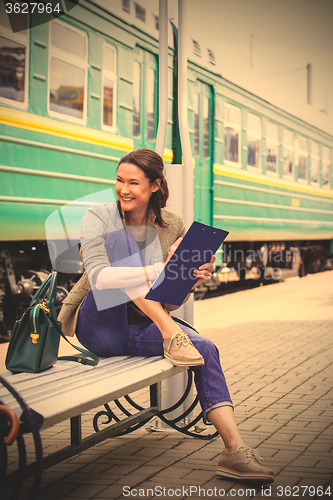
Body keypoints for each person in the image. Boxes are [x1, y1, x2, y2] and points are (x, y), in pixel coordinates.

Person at [59, 148, 274, 484]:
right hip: (101, 322)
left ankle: (235, 450)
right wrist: (160, 268)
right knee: (123, 246)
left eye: (134, 182)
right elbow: (100, 277)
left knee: (207, 349)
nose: (123, 189)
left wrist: (188, 278)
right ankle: (172, 335)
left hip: (144, 323)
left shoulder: (172, 224)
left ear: (156, 185)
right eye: (119, 180)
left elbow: (168, 300)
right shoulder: (99, 215)